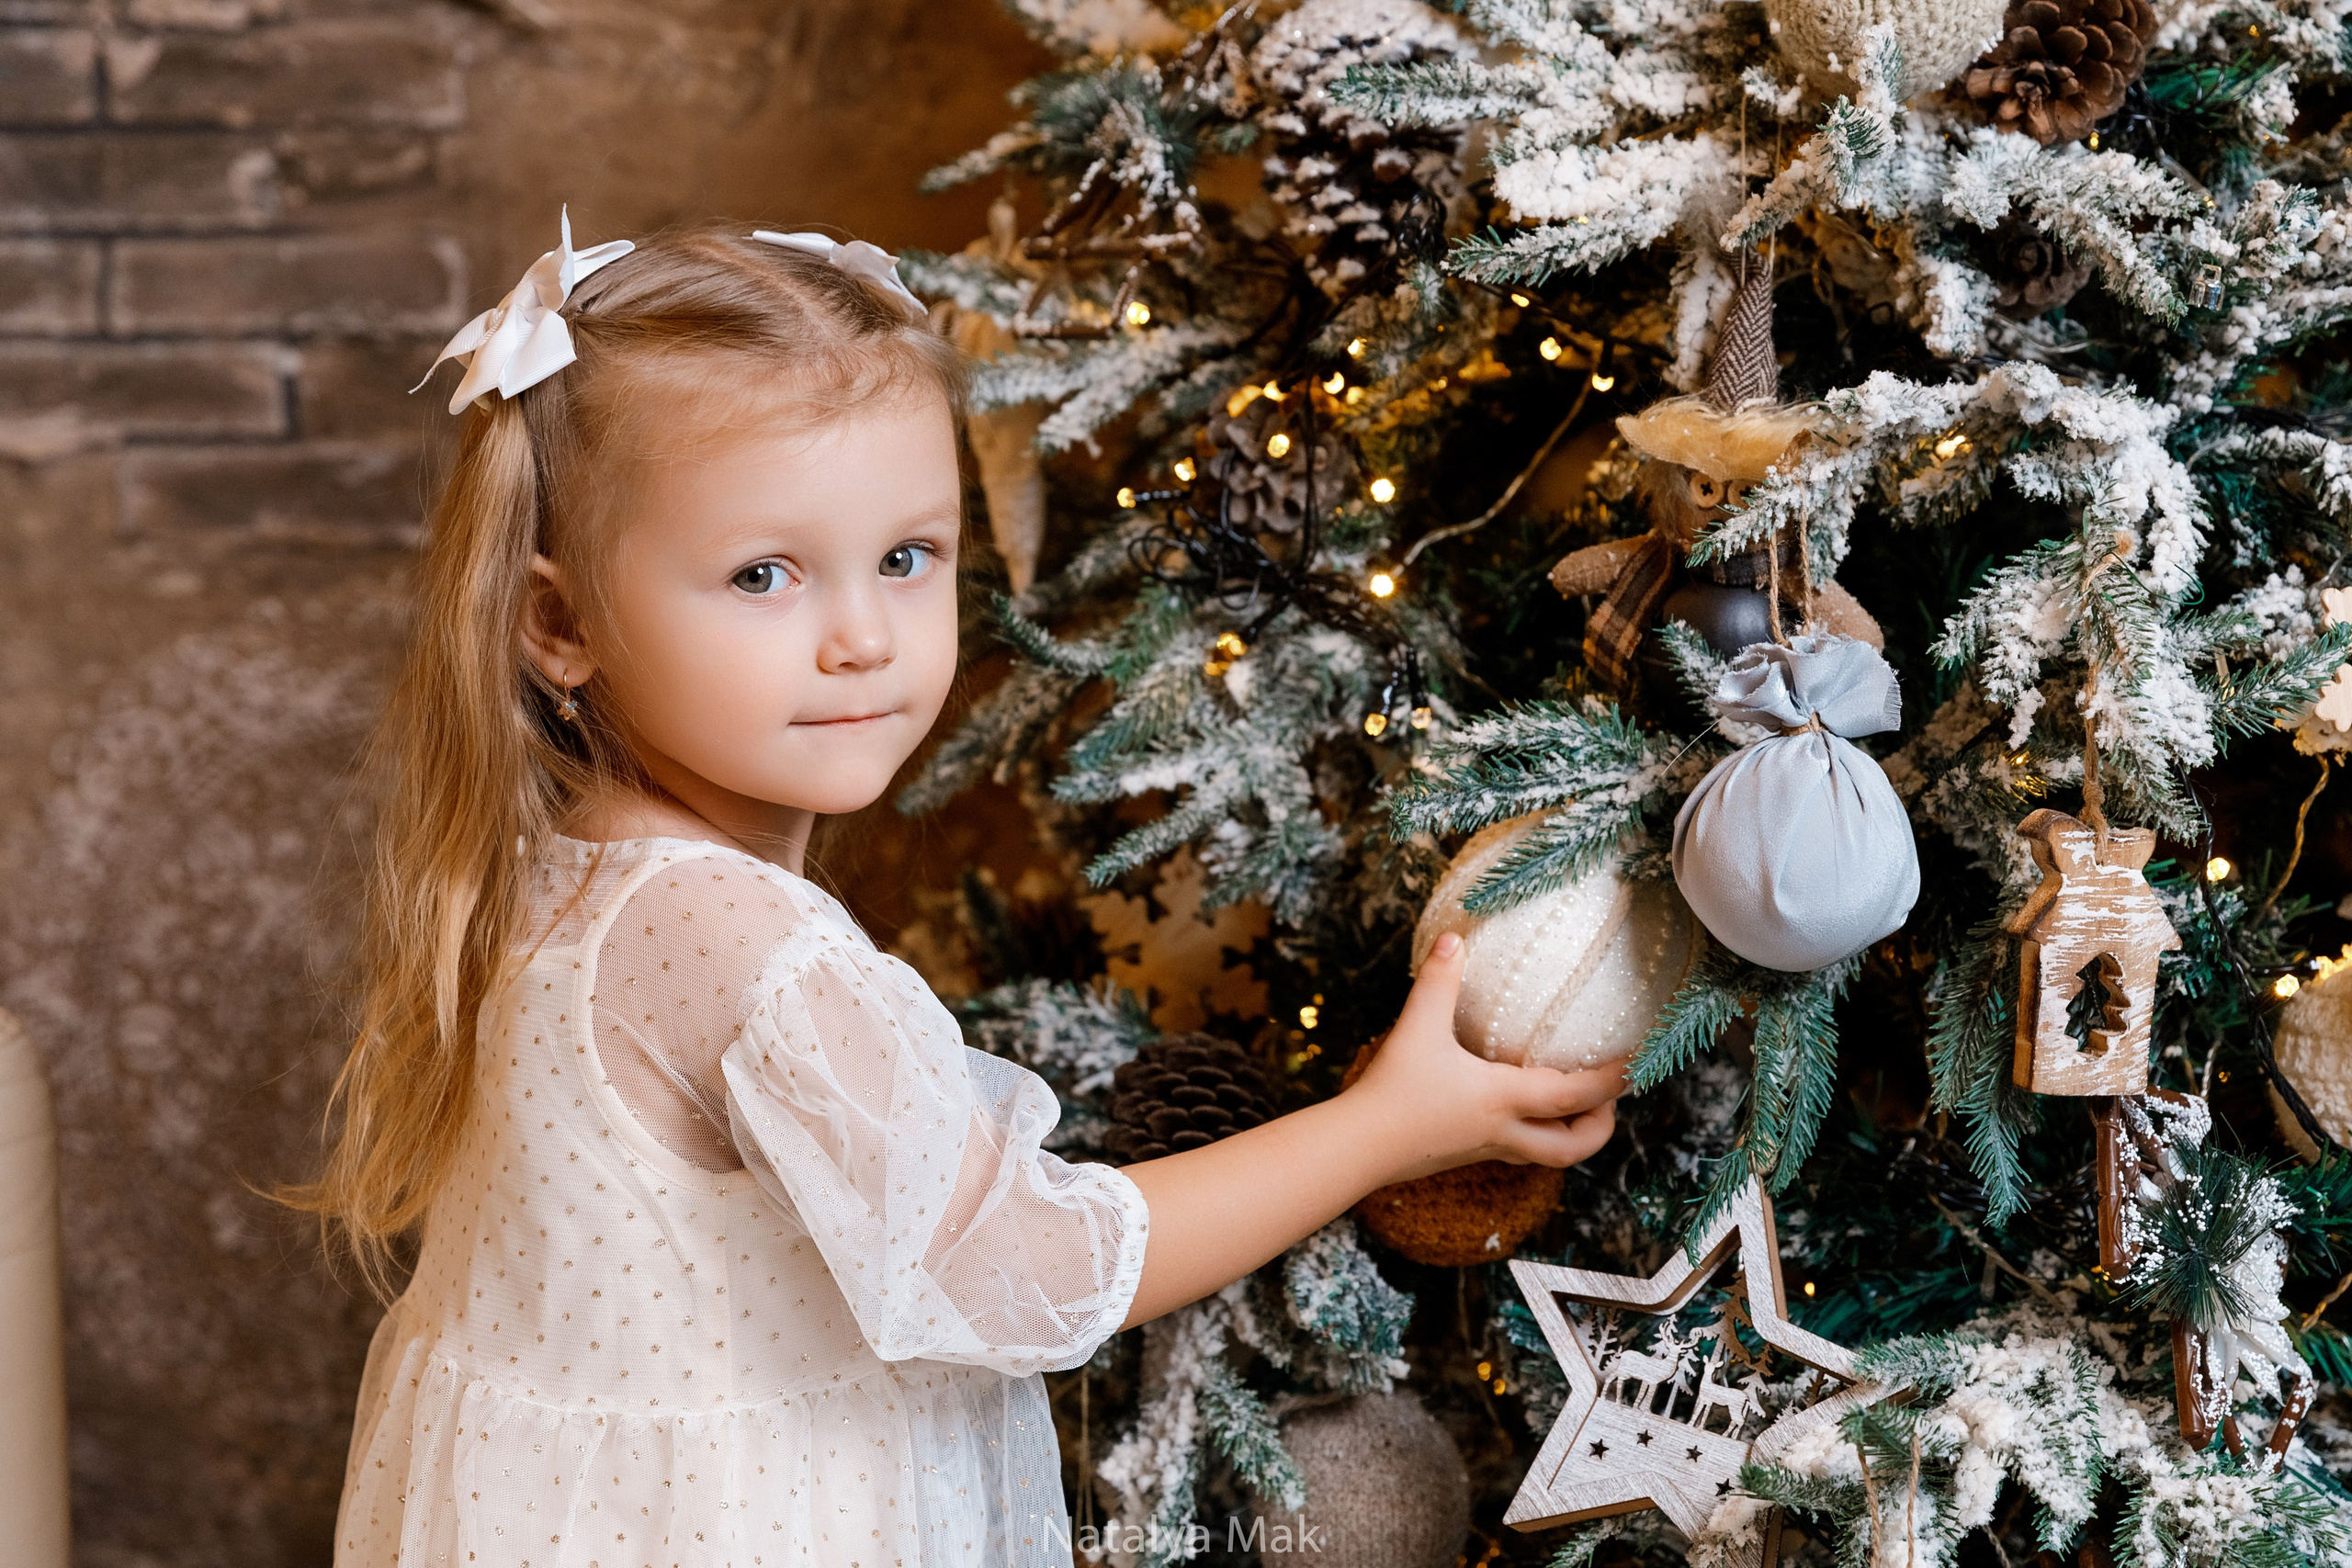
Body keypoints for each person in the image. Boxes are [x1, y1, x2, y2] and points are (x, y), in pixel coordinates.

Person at [288, 213, 1623, 1568]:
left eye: (908, 557)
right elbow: (1021, 1274)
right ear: (559, 624)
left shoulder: (558, 873)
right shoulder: (736, 941)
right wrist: (1380, 1129)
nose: (864, 637)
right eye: (765, 574)